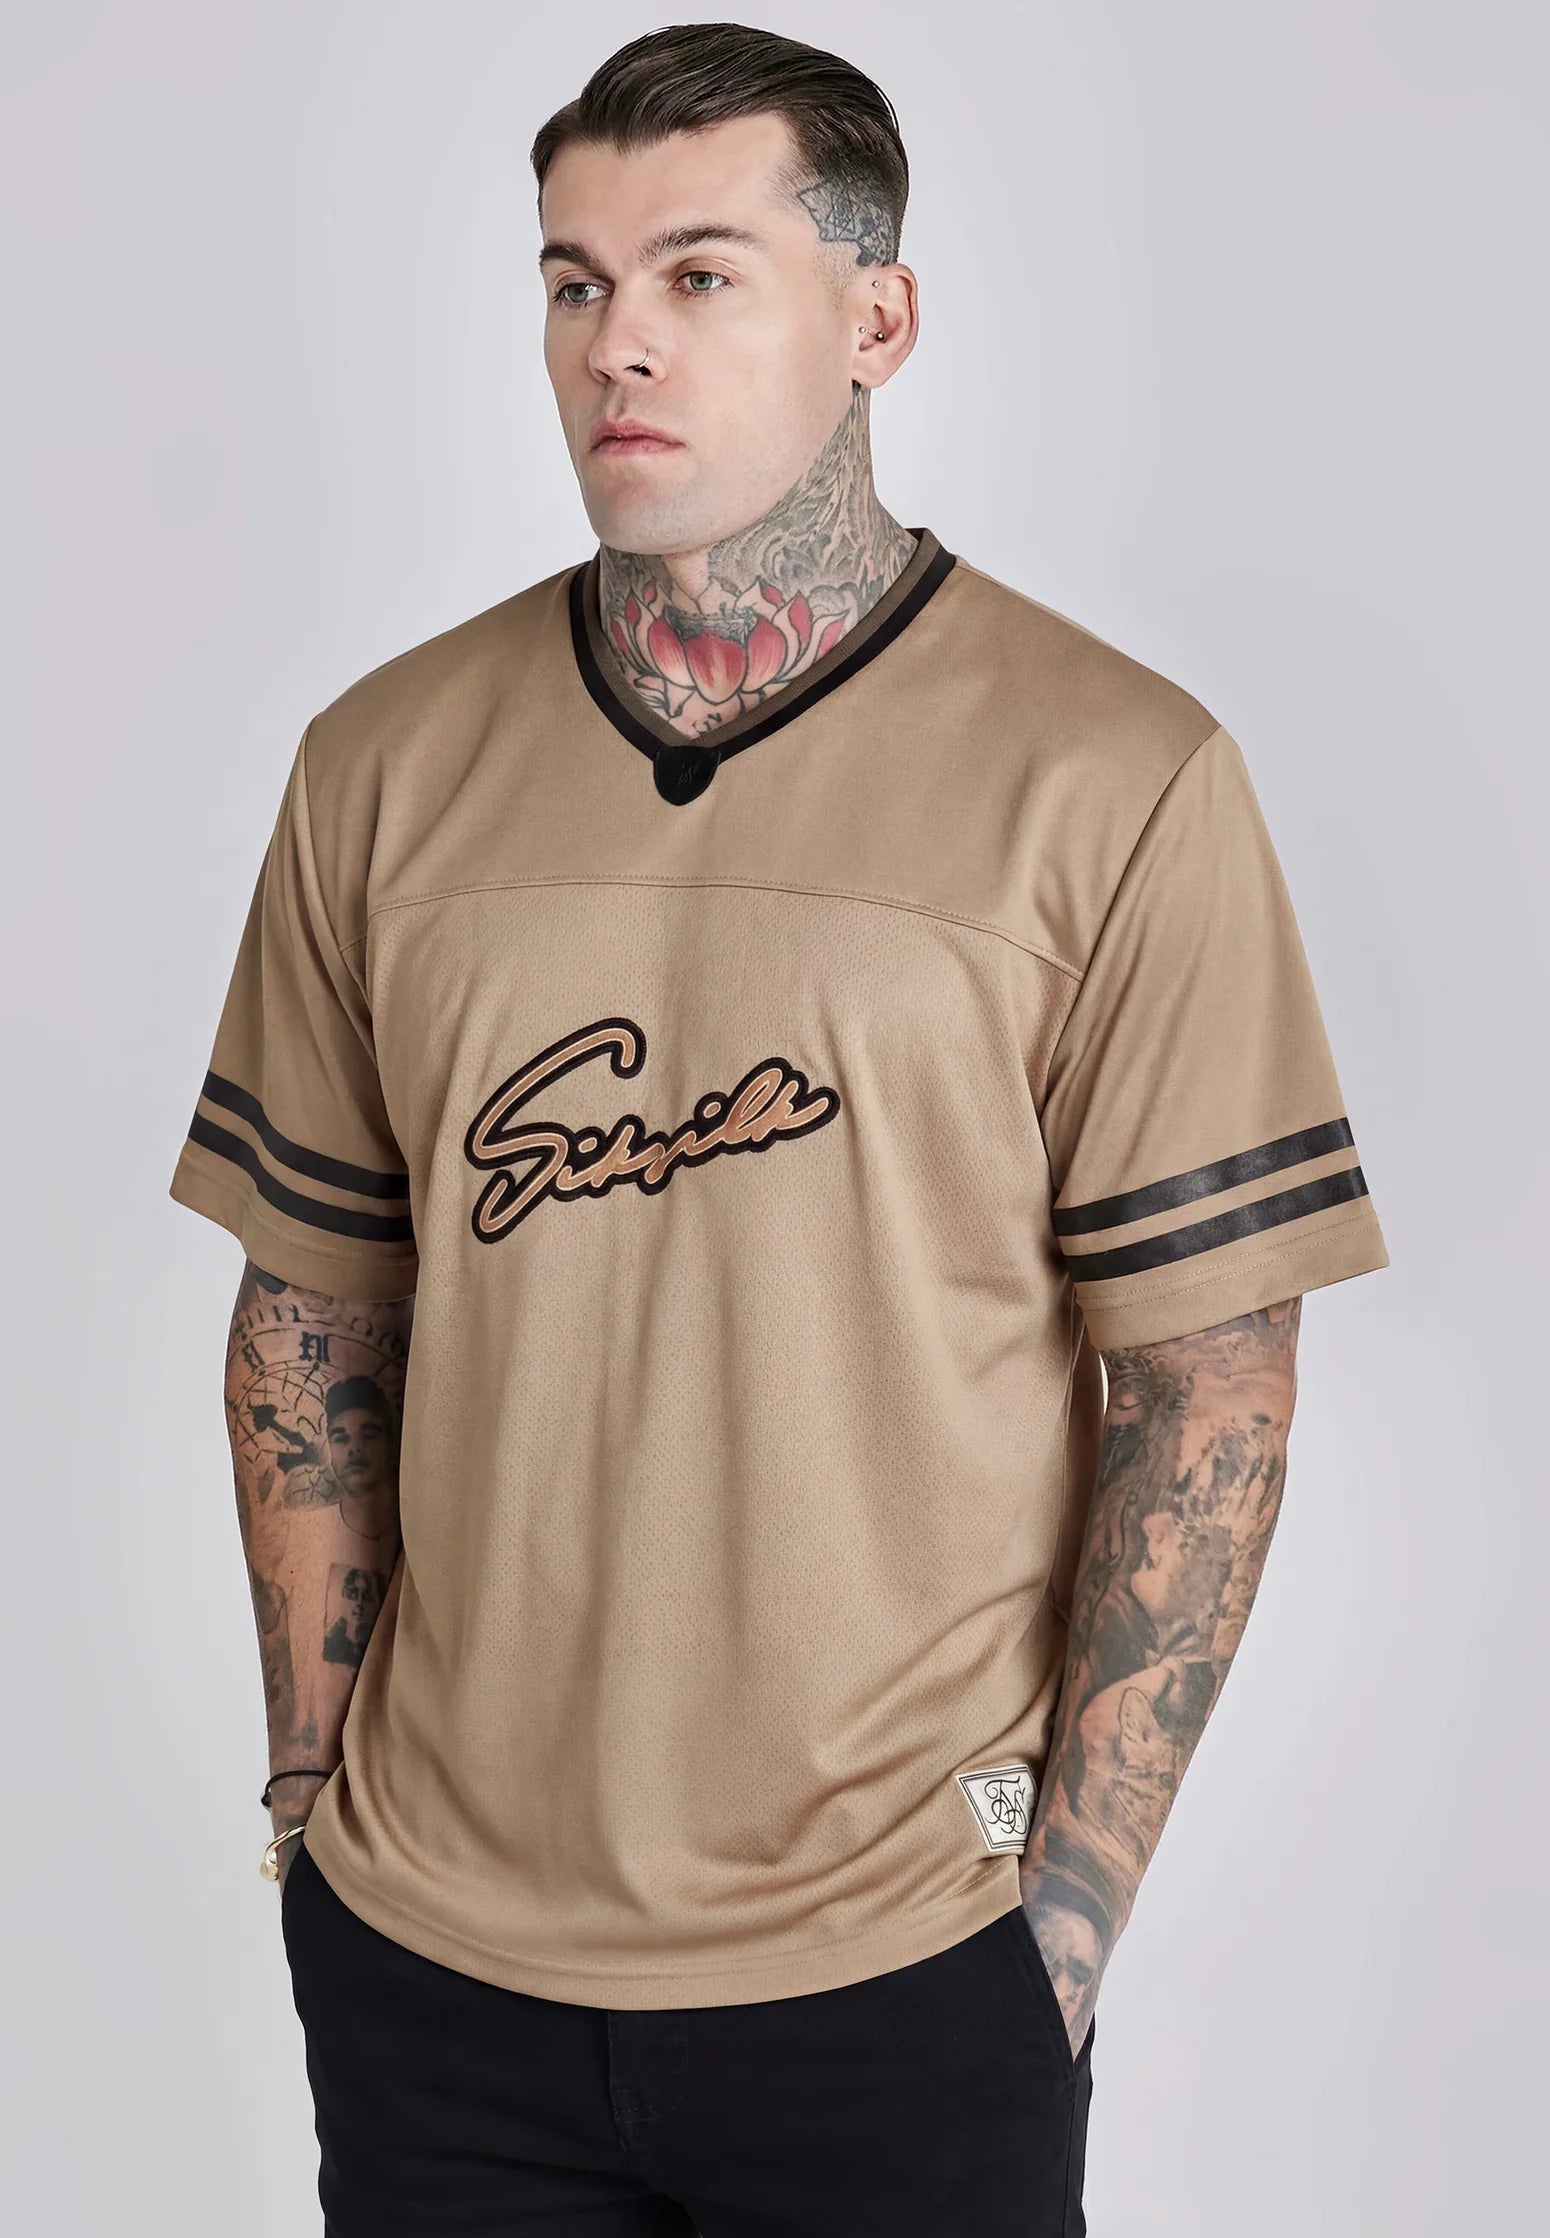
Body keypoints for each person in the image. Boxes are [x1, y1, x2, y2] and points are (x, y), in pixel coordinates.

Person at [168, 22, 1389, 2235]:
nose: (614, 341)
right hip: (434, 1973)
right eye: (572, 281)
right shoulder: (381, 765)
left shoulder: (1114, 777)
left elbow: (1209, 1378)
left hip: (905, 1971)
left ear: (877, 319)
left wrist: (1060, 1922)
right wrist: (309, 1817)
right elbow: (310, 1323)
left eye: (698, 275)